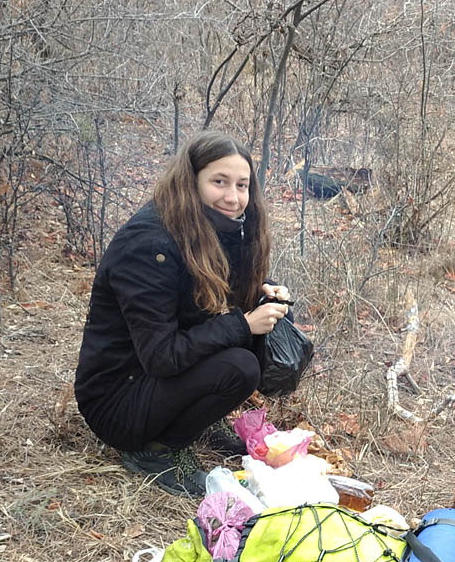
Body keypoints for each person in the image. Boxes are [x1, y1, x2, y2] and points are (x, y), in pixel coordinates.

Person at [75, 132, 293, 497]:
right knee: (239, 366)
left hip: (144, 381)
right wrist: (243, 324)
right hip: (115, 402)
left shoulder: (204, 227)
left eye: (242, 186)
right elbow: (162, 356)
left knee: (239, 356)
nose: (233, 197)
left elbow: (210, 289)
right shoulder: (149, 244)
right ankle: (153, 450)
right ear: (190, 180)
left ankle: (188, 422)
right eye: (219, 182)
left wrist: (262, 290)